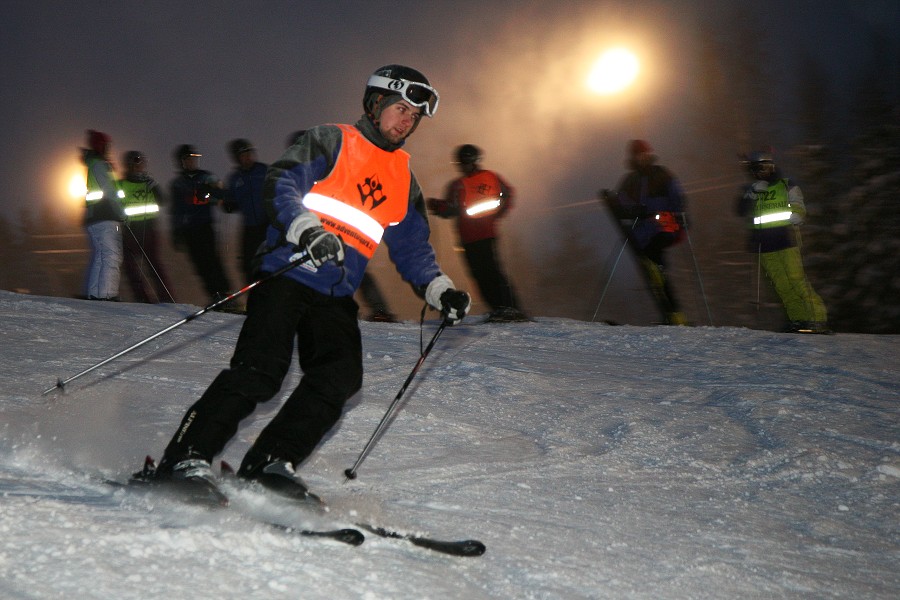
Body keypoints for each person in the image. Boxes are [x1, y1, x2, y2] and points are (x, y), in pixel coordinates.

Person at [140, 65, 471, 499]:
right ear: (374, 104)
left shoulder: (402, 179)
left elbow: (412, 247)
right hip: (288, 269)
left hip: (334, 291)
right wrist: (306, 229)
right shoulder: (332, 140)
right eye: (400, 109)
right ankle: (185, 457)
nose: (406, 120)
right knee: (261, 371)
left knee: (340, 378)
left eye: (414, 116)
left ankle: (268, 464)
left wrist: (439, 288)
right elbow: (281, 183)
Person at [427, 144, 527, 322]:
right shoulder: (492, 177)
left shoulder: (459, 185)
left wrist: (436, 206)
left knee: (483, 275)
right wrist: (498, 215)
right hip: (487, 234)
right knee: (493, 272)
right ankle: (509, 308)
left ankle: (503, 309)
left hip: (470, 237)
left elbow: (451, 209)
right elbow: (508, 194)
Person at [737, 151, 829, 333]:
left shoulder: (786, 184)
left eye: (762, 168)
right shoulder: (752, 188)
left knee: (796, 281)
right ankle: (798, 319)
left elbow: (798, 204)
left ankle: (818, 319)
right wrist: (752, 194)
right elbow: (740, 210)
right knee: (781, 285)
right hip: (763, 244)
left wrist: (797, 214)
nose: (759, 173)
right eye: (756, 170)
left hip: (785, 240)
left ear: (770, 167)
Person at [602, 139, 687, 325]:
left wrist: (681, 214)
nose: (643, 158)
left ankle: (673, 310)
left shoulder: (661, 174)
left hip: (664, 223)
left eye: (645, 154)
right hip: (643, 231)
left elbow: (676, 195)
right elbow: (623, 202)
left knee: (656, 251)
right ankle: (671, 313)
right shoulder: (630, 180)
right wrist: (613, 200)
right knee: (651, 268)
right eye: (639, 155)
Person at [169, 144, 233, 303]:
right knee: (199, 264)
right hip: (188, 230)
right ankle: (214, 295)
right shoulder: (178, 184)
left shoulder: (206, 177)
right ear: (182, 161)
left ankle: (226, 293)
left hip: (205, 226)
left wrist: (210, 193)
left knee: (212, 260)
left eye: (194, 159)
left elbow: (222, 193)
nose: (192, 162)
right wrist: (176, 232)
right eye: (188, 159)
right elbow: (176, 209)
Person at [118, 151, 175, 303]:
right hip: (131, 230)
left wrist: (154, 186)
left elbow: (163, 201)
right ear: (129, 165)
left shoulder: (149, 183)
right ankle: (142, 298)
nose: (140, 167)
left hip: (149, 229)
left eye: (142, 163)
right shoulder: (121, 184)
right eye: (137, 163)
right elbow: (114, 204)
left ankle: (166, 298)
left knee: (154, 265)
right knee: (131, 267)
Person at [82, 129, 126, 301]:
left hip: (95, 216)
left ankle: (95, 294)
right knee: (112, 255)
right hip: (104, 215)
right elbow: (109, 191)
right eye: (107, 146)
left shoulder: (94, 163)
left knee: (101, 255)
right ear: (101, 146)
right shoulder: (100, 164)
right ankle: (108, 294)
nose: (109, 149)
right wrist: (121, 213)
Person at [224, 139, 268, 283]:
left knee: (271, 260)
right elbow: (230, 200)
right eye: (243, 154)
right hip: (249, 227)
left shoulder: (265, 170)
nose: (247, 157)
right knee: (247, 264)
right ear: (237, 158)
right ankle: (255, 298)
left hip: (268, 224)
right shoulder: (234, 179)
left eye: (249, 153)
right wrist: (228, 205)